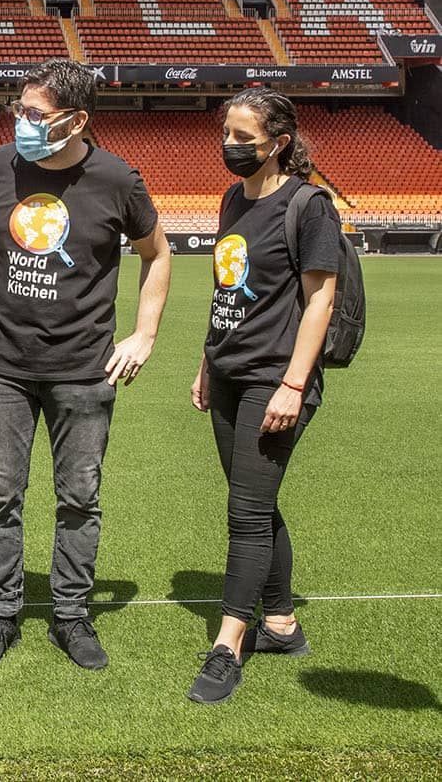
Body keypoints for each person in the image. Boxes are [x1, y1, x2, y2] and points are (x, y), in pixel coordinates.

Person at [0, 58, 171, 672]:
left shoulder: (117, 180)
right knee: (0, 494)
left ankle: (71, 617)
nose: (22, 121)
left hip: (84, 368)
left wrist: (144, 334)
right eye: (19, 110)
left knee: (79, 496)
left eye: (36, 114)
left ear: (76, 121)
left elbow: (157, 256)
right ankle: (0, 615)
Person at [186, 89, 338, 705]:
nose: (230, 145)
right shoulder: (232, 198)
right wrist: (205, 359)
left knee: (246, 512)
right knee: (254, 499)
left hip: (275, 379)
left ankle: (228, 645)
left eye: (243, 138)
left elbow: (320, 299)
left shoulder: (308, 206)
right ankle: (282, 623)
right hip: (227, 371)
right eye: (226, 132)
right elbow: (230, 286)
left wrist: (294, 385)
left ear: (277, 142)